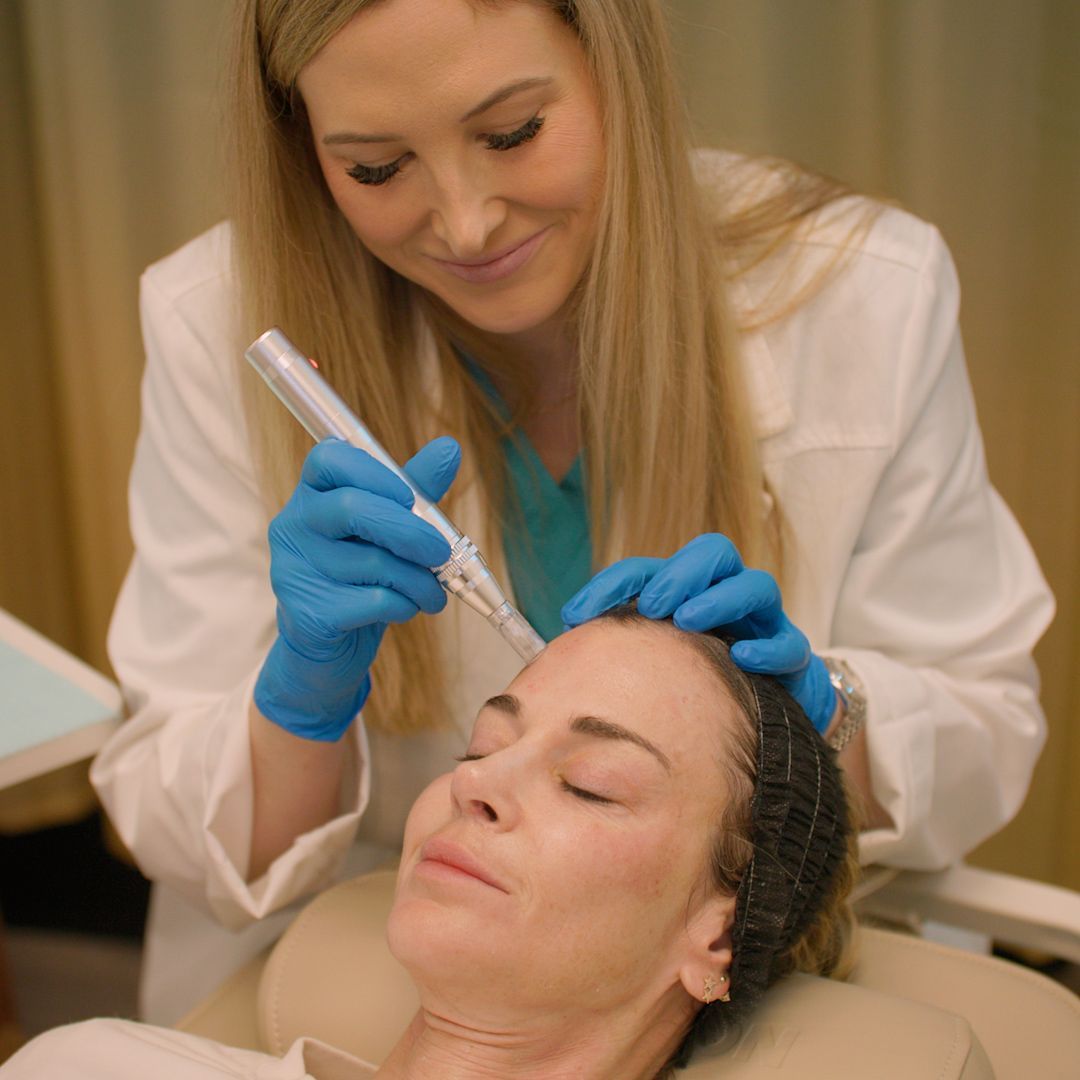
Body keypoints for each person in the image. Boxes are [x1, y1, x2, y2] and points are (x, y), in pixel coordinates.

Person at [90, 0, 1053, 1024]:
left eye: (512, 134)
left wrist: (828, 720)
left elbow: (986, 728)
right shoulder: (215, 320)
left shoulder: (864, 294)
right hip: (368, 965)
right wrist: (301, 705)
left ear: (614, 67)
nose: (464, 222)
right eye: (376, 168)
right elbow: (181, 824)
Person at [7, 612, 856, 1078]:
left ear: (716, 931)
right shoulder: (90, 1065)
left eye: (590, 782)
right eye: (481, 748)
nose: (474, 784)